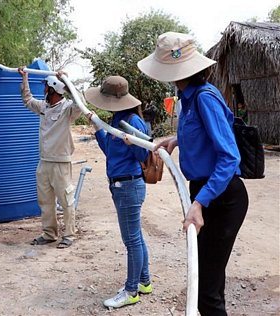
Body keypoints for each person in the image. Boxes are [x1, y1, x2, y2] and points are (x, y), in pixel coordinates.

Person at [138, 32, 249, 316]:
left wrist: (199, 204)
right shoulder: (188, 99)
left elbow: (229, 156)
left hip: (222, 197)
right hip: (205, 192)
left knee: (207, 294)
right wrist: (176, 140)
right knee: (205, 280)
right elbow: (203, 136)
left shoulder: (204, 98)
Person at [84, 76, 153, 308]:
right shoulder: (117, 118)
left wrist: (132, 143)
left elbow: (145, 156)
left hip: (129, 186)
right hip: (119, 184)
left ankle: (131, 290)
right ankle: (144, 282)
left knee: (131, 240)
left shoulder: (133, 121)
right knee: (136, 237)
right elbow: (110, 152)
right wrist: (97, 128)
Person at [18, 67, 82, 248]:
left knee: (66, 200)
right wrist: (25, 78)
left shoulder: (68, 109)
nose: (44, 89)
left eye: (46, 86)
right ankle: (49, 234)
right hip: (44, 161)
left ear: (53, 88)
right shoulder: (44, 107)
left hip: (61, 163)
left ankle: (69, 235)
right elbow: (27, 100)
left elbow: (81, 104)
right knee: (45, 200)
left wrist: (68, 83)